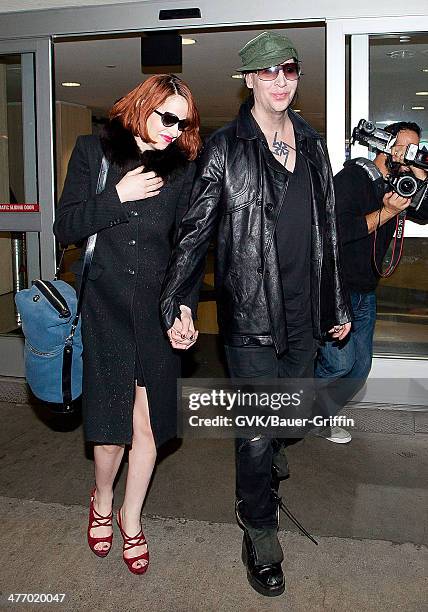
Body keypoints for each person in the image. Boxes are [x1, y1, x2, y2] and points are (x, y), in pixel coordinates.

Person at [160, 31, 352, 597]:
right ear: (249, 80)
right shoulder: (226, 147)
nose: (280, 81)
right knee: (256, 429)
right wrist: (179, 300)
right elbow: (194, 232)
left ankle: (269, 456)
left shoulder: (313, 145)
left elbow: (329, 237)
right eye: (268, 72)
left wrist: (335, 303)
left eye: (288, 70)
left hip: (303, 314)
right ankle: (259, 528)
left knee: (287, 419)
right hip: (250, 316)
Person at [53, 74, 201, 574]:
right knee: (112, 430)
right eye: (167, 118)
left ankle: (130, 518)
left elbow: (187, 251)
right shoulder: (92, 152)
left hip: (155, 313)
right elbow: (66, 226)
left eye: (183, 122)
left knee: (151, 425)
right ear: (142, 107)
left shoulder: (180, 172)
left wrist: (184, 309)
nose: (174, 131)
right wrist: (118, 194)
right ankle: (101, 499)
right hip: (104, 309)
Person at [315, 121, 428, 444]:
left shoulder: (399, 182)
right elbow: (336, 233)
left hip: (366, 289)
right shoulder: (352, 179)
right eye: (404, 148)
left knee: (359, 368)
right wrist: (387, 212)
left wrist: (419, 176)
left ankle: (320, 416)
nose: (409, 155)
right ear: (384, 146)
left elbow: (426, 211)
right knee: (338, 363)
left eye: (414, 150)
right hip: (337, 287)